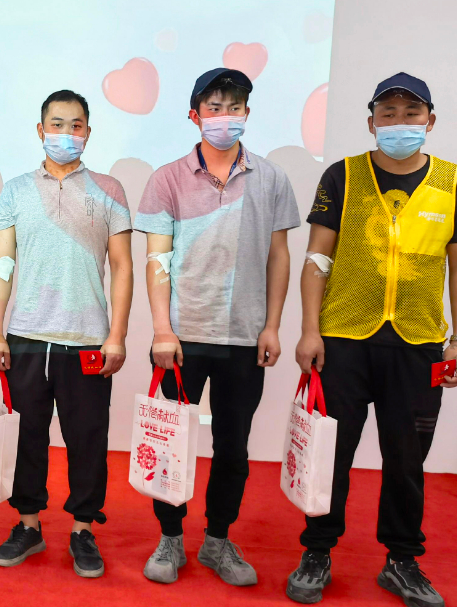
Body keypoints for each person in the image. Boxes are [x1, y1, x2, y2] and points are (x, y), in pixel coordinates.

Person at [288, 73, 457, 607]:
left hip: (418, 344)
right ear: (371, 122)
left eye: (411, 114)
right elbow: (317, 257)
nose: (399, 123)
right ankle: (317, 551)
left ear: (430, 121)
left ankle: (401, 561)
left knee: (407, 459)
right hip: (344, 340)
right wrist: (309, 329)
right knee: (331, 453)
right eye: (388, 114)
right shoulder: (343, 175)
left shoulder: (453, 181)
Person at [133, 68, 299, 587]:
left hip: (244, 338)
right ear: (194, 115)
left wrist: (272, 326)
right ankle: (170, 537)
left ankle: (217, 540)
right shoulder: (167, 178)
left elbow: (278, 256)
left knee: (233, 447)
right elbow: (156, 259)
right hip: (182, 337)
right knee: (169, 442)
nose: (225, 117)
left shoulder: (271, 178)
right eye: (214, 108)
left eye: (234, 107)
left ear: (247, 113)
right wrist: (162, 329)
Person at [0, 90, 132, 578]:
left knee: (87, 438)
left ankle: (83, 529)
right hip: (26, 336)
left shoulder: (109, 189)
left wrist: (116, 335)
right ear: (40, 130)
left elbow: (122, 267)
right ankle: (28, 525)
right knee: (27, 436)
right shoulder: (15, 190)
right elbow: (2, 264)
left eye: (76, 125)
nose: (66, 133)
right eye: (56, 124)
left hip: (87, 339)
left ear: (88, 132)